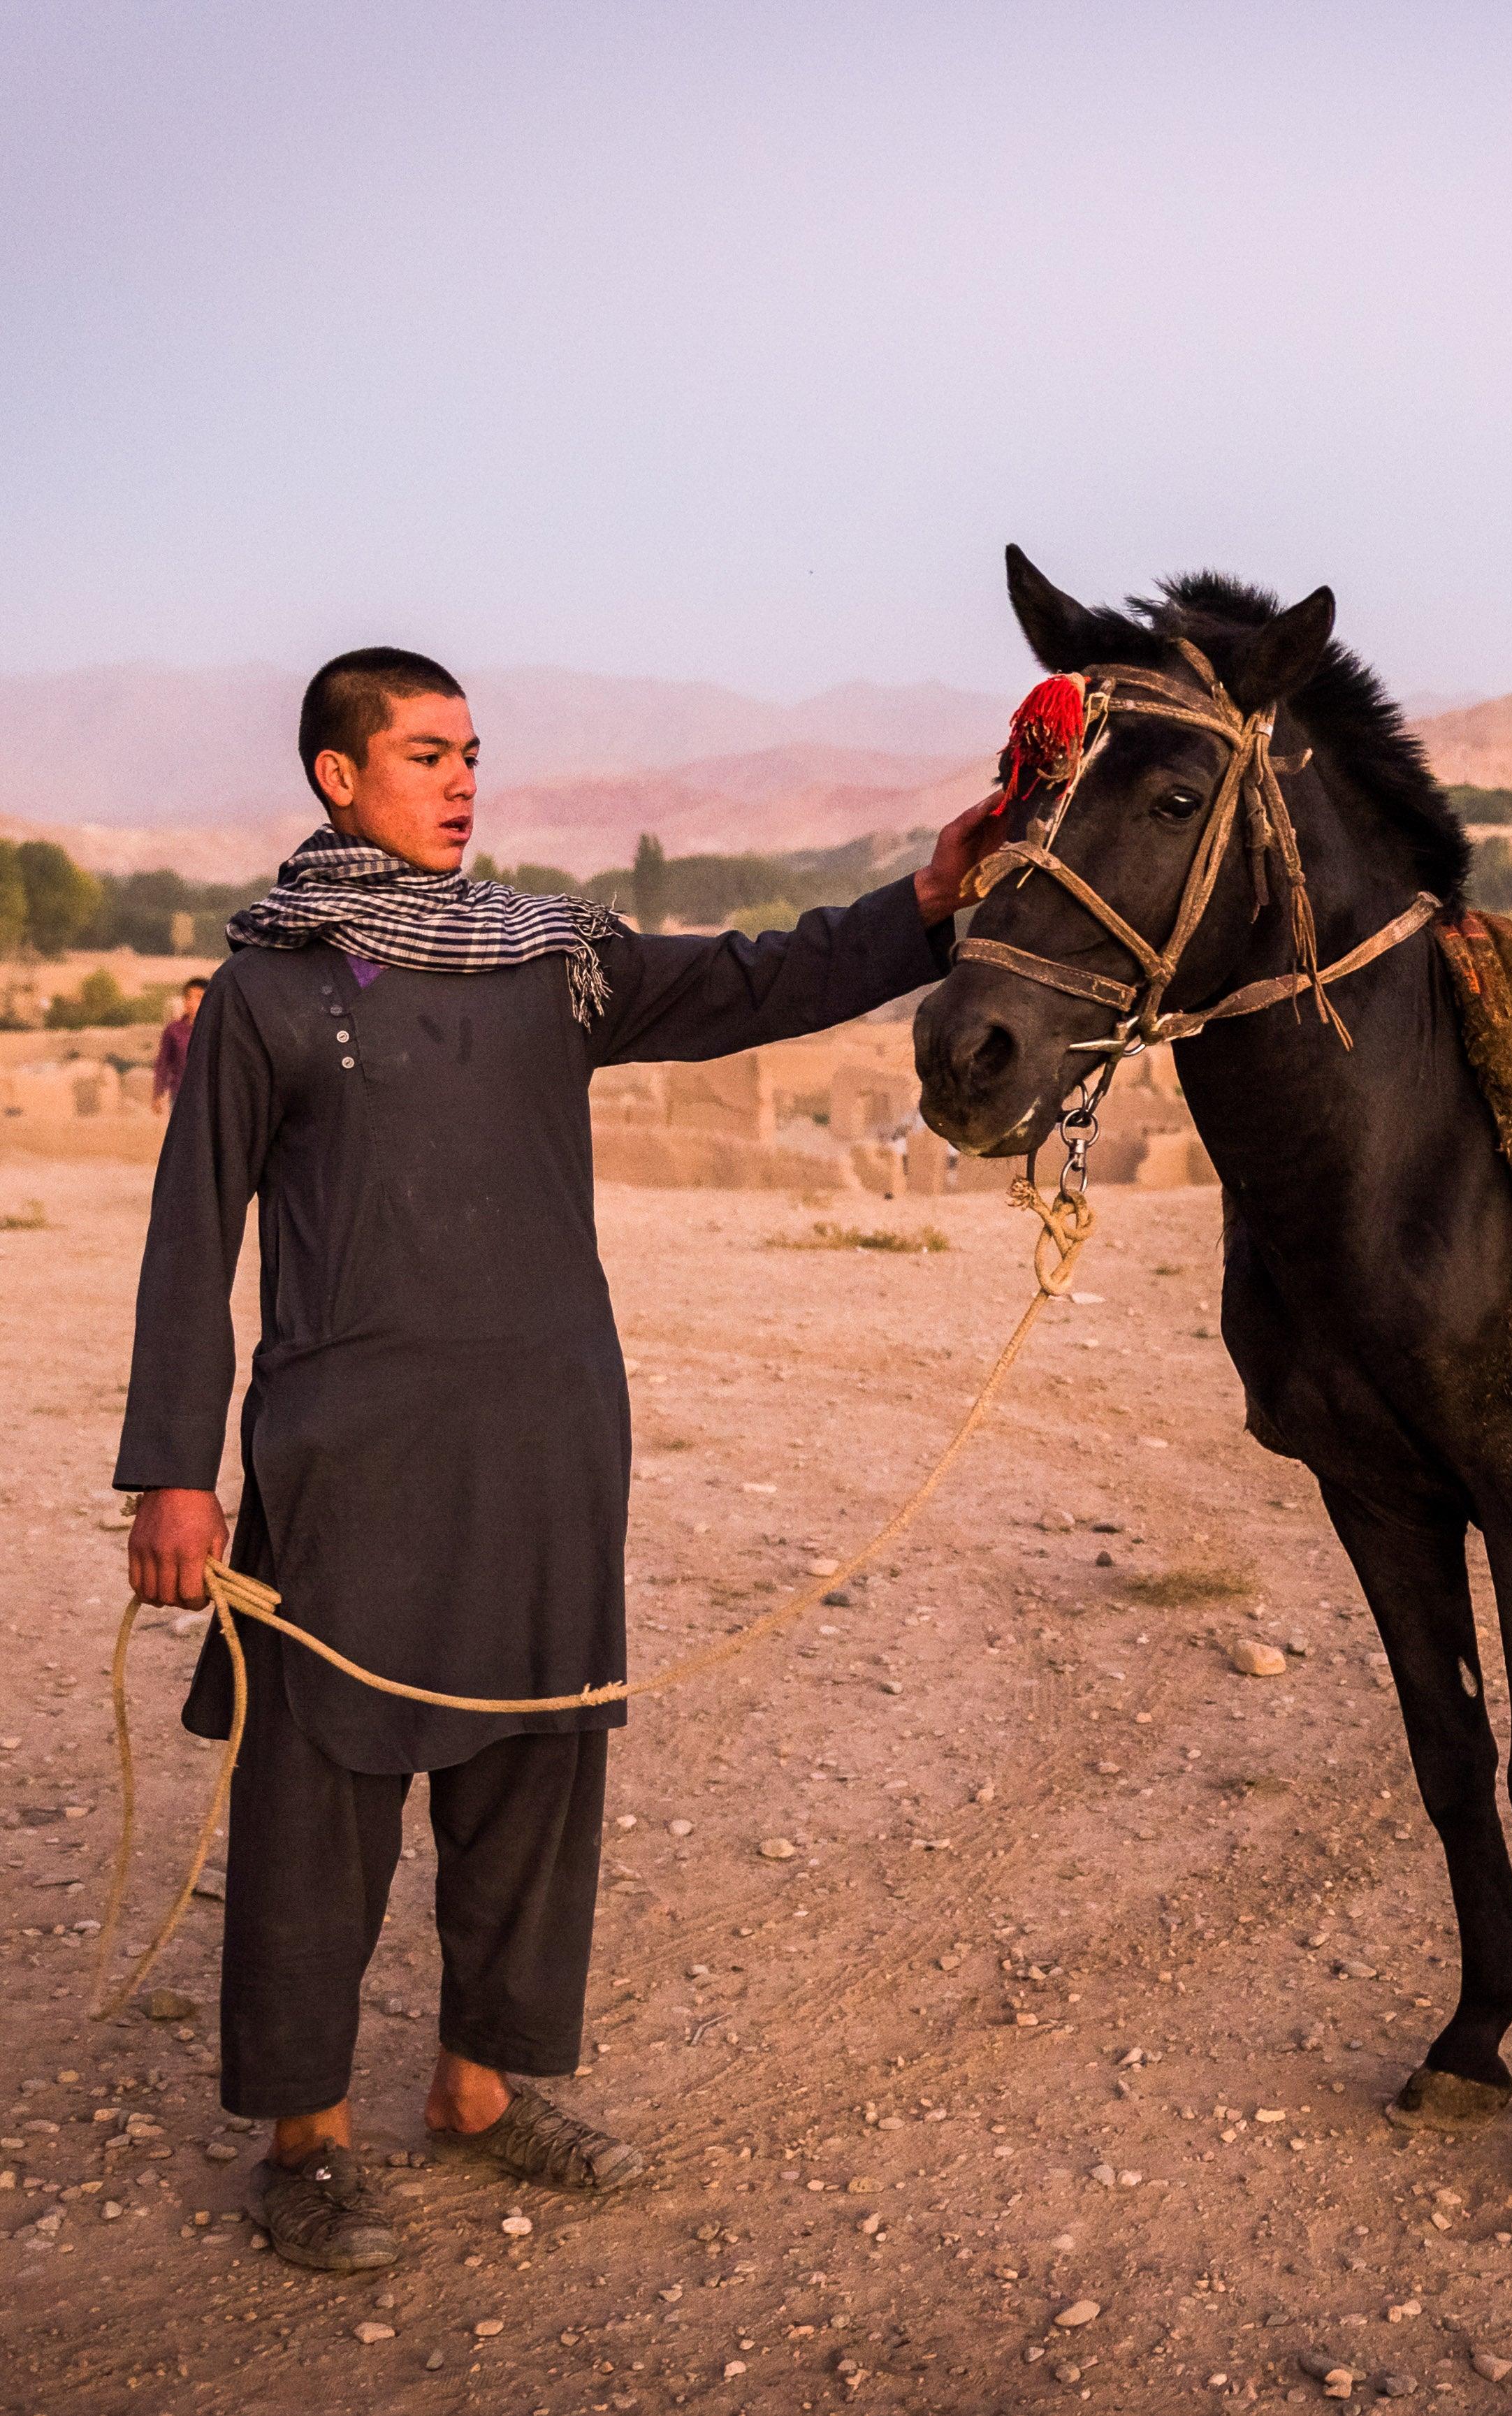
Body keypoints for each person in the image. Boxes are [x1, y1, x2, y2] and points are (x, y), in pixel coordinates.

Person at [117, 646, 1003, 2271]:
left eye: (474, 754)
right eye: (426, 755)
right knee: (320, 1788)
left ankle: (479, 2089)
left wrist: (926, 903)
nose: (463, 781)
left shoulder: (551, 962)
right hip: (345, 1459)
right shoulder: (267, 992)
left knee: (533, 1765)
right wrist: (173, 1468)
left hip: (547, 1441)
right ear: (337, 776)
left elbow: (758, 978)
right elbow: (192, 1243)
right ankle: (302, 2139)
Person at [152, 975, 211, 1109]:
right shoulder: (173, 1030)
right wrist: (158, 1094)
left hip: (210, 1098)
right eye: (188, 997)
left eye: (199, 998)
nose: (192, 1003)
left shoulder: (218, 1030)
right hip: (180, 1095)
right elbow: (163, 1063)